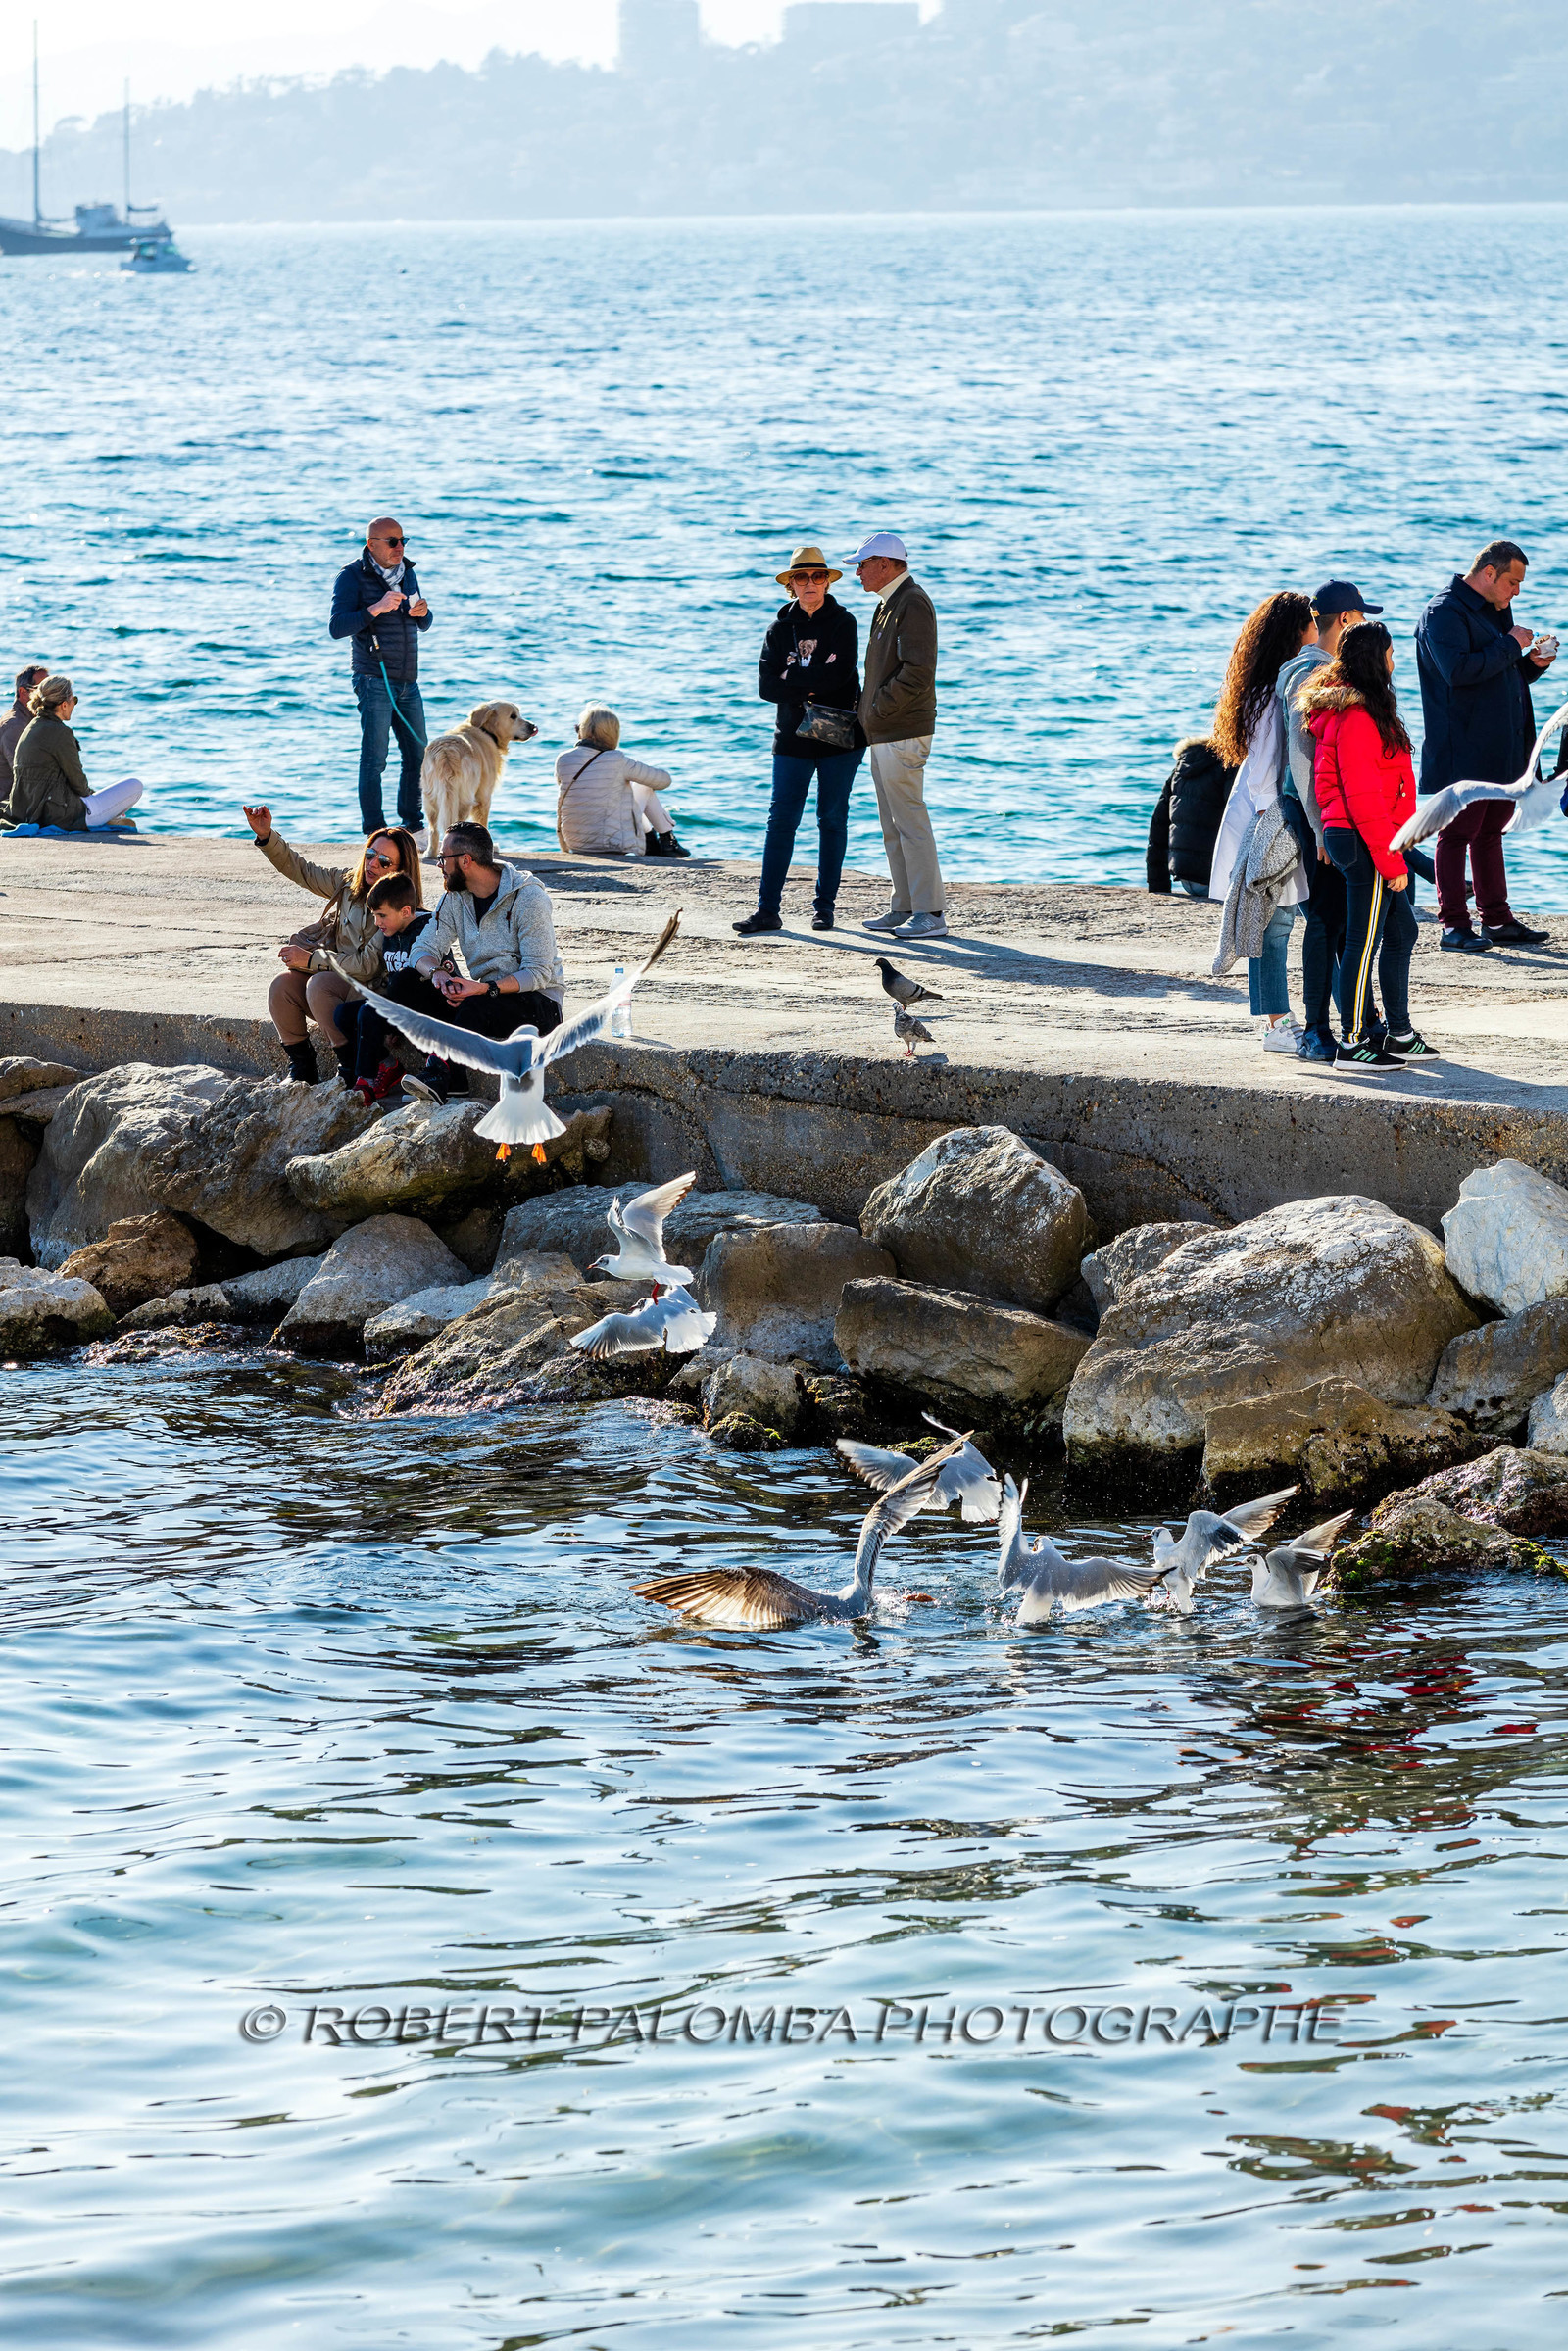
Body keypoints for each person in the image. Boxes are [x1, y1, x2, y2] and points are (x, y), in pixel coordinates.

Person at [1301, 621, 1435, 1072]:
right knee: (1363, 939)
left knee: (1401, 931)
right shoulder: (1356, 718)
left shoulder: (1364, 710)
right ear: (1374, 660)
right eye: (1391, 654)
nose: (1395, 663)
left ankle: (1397, 1033)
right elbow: (1363, 797)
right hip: (1365, 838)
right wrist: (1389, 858)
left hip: (1370, 836)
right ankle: (1354, 1041)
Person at [1415, 539, 1555, 953]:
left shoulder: (1496, 610)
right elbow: (1457, 672)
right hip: (1464, 749)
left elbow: (1501, 678)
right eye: (1513, 582)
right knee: (1457, 833)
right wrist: (1511, 644)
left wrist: (1530, 664)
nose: (1517, 592)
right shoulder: (1443, 612)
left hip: (1502, 747)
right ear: (1489, 573)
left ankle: (1497, 919)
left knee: (1491, 830)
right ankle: (1453, 926)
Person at [1273, 580, 1383, 1065]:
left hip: (1328, 810)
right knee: (1324, 919)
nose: (1363, 625)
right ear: (1343, 619)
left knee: (1337, 920)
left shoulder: (1314, 669)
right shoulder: (1309, 674)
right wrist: (1321, 828)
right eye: (1359, 617)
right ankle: (1318, 1029)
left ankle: (1358, 1019)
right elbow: (1301, 757)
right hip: (1316, 811)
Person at [241, 802, 422, 1083]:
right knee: (282, 986)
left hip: (374, 994)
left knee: (319, 984)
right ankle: (302, 1067)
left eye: (384, 862)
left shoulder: (402, 910)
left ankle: (355, 1065)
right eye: (370, 854)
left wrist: (311, 961)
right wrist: (267, 835)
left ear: (401, 870)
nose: (373, 864)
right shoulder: (348, 883)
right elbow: (302, 870)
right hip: (340, 980)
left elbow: (368, 967)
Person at [735, 544, 863, 936]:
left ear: (827, 581)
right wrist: (807, 686)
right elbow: (765, 686)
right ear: (790, 584)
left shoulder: (844, 622)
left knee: (831, 819)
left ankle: (825, 909)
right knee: (781, 822)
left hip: (840, 736)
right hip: (791, 738)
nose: (811, 582)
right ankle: (767, 911)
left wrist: (794, 682)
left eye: (819, 575)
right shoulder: (778, 630)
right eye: (802, 577)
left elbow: (840, 676)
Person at [1208, 594, 1313, 1050]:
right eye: (1312, 624)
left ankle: (1298, 1018)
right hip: (1272, 818)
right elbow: (1266, 773)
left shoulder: (1267, 688)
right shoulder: (1272, 694)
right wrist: (1280, 828)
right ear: (1296, 633)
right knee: (1273, 922)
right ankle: (1274, 1022)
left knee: (1285, 918)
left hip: (1275, 815)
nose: (1319, 630)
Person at [408, 821, 564, 1103]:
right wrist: (437, 975)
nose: (439, 865)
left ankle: (437, 1073)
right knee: (409, 984)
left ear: (466, 861)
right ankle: (452, 1083)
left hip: (539, 1004)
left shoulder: (528, 897)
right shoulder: (456, 898)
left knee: (476, 1005)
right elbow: (421, 948)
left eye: (443, 858)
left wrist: (483, 988)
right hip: (486, 996)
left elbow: (538, 973)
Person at [851, 531, 946, 941]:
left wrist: (876, 708)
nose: (857, 571)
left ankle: (930, 912)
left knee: (909, 821)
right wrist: (870, 714)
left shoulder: (912, 601)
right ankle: (905, 905)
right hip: (886, 730)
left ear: (885, 564)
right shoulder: (890, 603)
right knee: (893, 823)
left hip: (901, 730)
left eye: (863, 563)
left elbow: (917, 672)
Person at [329, 514, 433, 840]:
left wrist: (424, 614)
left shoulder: (408, 573)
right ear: (372, 545)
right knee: (376, 758)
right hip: (373, 678)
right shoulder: (350, 576)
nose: (399, 547)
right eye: (392, 542)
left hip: (408, 680)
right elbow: (337, 627)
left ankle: (413, 826)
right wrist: (375, 608)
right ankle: (374, 831)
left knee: (418, 754)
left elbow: (424, 623)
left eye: (403, 540)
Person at [0, 675, 143, 834]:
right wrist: (95, 798)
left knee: (105, 799)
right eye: (74, 699)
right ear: (63, 704)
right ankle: (107, 818)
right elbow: (79, 785)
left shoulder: (31, 728)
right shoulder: (60, 732)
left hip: (34, 810)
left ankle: (109, 817)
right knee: (135, 785)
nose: (74, 704)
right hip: (61, 814)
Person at [343, 872, 439, 1105]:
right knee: (344, 1014)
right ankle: (388, 1066)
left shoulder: (426, 930)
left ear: (405, 912)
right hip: (401, 1008)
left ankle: (365, 1081)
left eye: (381, 915)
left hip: (431, 1008)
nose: (377, 922)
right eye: (375, 915)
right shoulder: (389, 933)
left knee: (371, 1011)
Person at [555, 706, 689, 859]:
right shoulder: (617, 760)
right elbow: (664, 781)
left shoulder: (563, 759)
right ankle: (668, 841)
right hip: (609, 843)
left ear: (583, 731)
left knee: (617, 792)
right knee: (643, 786)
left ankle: (654, 843)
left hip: (575, 842)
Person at [1146, 736, 1235, 898]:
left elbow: (1157, 832)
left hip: (1186, 879)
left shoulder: (1179, 772)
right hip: (1215, 878)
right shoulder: (1229, 766)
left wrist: (1159, 888)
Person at [0, 663, 48, 794]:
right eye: (42, 689)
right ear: (23, 692)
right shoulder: (14, 726)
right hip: (11, 806)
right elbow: (25, 778)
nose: (48, 695)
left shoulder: (32, 720)